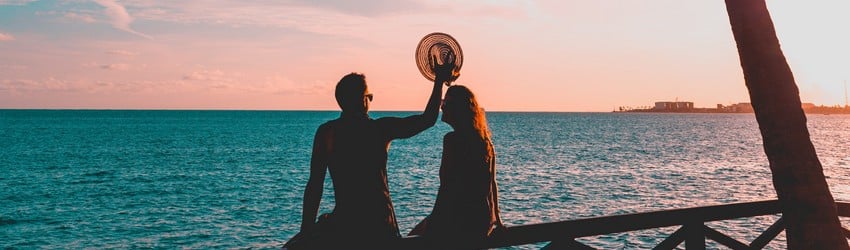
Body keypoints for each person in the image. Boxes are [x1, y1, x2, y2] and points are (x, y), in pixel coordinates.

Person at [290, 55, 458, 249]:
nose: (370, 101)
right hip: (381, 225)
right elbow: (427, 119)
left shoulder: (327, 133)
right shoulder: (380, 129)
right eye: (369, 96)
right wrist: (438, 81)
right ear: (362, 100)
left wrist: (306, 230)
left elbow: (314, 185)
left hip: (346, 223)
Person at [408, 84, 505, 249]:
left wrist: (434, 222)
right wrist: (497, 220)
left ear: (458, 110)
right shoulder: (485, 142)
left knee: (409, 241)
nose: (442, 106)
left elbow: (447, 187)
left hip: (457, 220)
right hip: (481, 221)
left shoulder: (452, 141)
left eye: (446, 103)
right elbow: (492, 183)